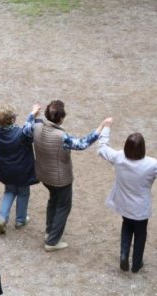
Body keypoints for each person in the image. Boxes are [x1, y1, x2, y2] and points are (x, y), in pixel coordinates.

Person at [97, 124, 157, 273]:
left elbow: (102, 148)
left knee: (126, 226)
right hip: (140, 209)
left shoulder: (118, 157)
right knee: (140, 234)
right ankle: (136, 264)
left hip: (124, 205)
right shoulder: (151, 164)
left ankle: (124, 254)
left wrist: (106, 127)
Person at [32, 101, 107, 252]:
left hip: (43, 174)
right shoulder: (61, 136)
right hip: (60, 179)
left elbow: (27, 126)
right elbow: (82, 143)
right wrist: (101, 128)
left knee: (53, 200)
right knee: (63, 206)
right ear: (60, 119)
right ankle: (52, 241)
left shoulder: (35, 126)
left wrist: (32, 114)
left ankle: (49, 231)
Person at [0, 103, 40, 233]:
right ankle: (20, 220)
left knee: (9, 191)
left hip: (5, 171)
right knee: (23, 193)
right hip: (23, 172)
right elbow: (29, 129)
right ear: (12, 119)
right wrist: (32, 114)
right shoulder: (21, 134)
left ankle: (2, 218)